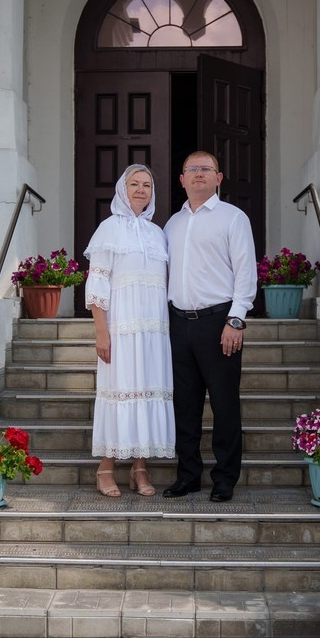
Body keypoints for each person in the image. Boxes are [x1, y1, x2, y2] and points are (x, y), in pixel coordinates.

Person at [162, 151, 257, 502]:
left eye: (206, 169)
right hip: (178, 323)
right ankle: (188, 476)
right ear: (182, 180)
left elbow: (246, 272)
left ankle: (224, 479)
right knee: (184, 406)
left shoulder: (233, 218)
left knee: (224, 404)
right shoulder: (171, 224)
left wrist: (236, 319)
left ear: (219, 178)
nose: (198, 174)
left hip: (219, 323)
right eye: (191, 169)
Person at [83, 164, 176, 497]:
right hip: (121, 329)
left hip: (153, 331)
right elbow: (98, 284)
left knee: (146, 390)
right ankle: (105, 468)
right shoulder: (108, 229)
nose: (140, 189)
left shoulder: (157, 233)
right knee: (119, 391)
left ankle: (139, 468)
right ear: (122, 190)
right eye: (134, 184)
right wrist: (101, 332)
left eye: (147, 185)